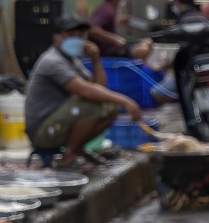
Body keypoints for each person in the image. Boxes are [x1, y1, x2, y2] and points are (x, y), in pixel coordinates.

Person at [25, 13, 141, 166]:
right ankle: (69, 154)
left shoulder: (72, 60)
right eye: (71, 35)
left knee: (110, 106)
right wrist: (126, 101)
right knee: (91, 104)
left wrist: (96, 59)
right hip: (43, 132)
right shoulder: (52, 61)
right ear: (57, 37)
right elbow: (85, 91)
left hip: (57, 124)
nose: (78, 40)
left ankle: (77, 149)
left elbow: (98, 88)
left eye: (81, 35)